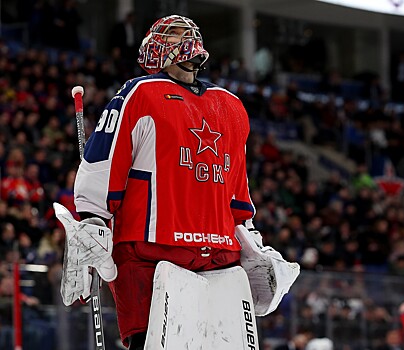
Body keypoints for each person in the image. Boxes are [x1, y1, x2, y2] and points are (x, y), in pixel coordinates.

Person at [55, 14, 297, 350]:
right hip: (149, 255)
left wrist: (250, 240)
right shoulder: (140, 93)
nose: (183, 39)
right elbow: (103, 162)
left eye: (187, 33)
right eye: (172, 35)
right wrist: (92, 221)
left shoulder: (231, 107)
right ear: (155, 50)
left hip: (218, 257)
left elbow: (236, 188)